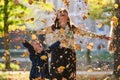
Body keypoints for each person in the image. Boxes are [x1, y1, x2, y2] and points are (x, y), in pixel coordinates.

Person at [37, 8, 110, 80]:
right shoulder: (53, 28)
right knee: (56, 75)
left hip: (69, 53)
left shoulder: (72, 28)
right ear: (57, 16)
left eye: (65, 11)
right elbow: (40, 31)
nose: (62, 12)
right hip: (57, 53)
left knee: (70, 75)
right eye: (60, 12)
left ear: (67, 16)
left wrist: (100, 36)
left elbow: (85, 33)